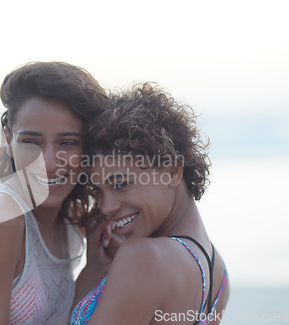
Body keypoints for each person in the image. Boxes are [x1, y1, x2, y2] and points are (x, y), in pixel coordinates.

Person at [0, 61, 109, 325]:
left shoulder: (71, 224)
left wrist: (94, 269)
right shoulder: (0, 216)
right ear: (9, 140)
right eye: (30, 142)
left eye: (68, 142)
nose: (48, 162)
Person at [70, 83, 229, 324]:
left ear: (173, 171)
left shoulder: (143, 258)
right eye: (98, 190)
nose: (105, 207)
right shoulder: (219, 273)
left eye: (121, 184)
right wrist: (95, 269)